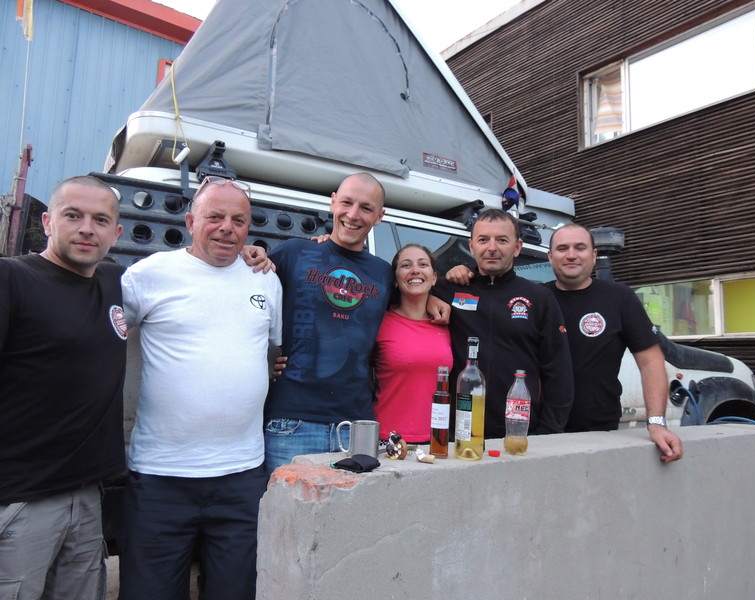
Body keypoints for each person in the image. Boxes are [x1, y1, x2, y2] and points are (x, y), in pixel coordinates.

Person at [119, 176, 282, 600]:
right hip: (161, 476)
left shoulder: (265, 279)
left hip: (242, 476)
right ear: (191, 221)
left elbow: (271, 352)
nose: (227, 228)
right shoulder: (148, 275)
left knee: (237, 591)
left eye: (238, 220)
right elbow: (103, 333)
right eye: (215, 217)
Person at [264, 173, 448, 475]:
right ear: (333, 202)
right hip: (292, 423)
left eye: (365, 207)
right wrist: (263, 358)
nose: (352, 214)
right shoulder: (293, 252)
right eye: (347, 203)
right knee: (289, 508)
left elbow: (410, 299)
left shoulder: (383, 273)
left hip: (356, 427)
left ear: (379, 216)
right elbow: (246, 303)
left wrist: (433, 299)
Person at [0, 175, 125, 599]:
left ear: (116, 233)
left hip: (86, 494)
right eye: (73, 216)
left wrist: (252, 254)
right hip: (20, 500)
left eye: (100, 220)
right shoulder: (11, 279)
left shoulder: (114, 282)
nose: (87, 228)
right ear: (47, 221)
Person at [545, 223, 682, 462]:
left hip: (600, 430)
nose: (571, 255)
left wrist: (657, 423)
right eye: (562, 248)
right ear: (550, 256)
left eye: (580, 248)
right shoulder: (535, 299)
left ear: (594, 255)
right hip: (539, 430)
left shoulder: (619, 298)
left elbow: (651, 361)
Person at [435, 208, 574, 439]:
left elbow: (559, 372)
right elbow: (405, 291)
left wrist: (549, 432)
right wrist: (430, 298)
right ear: (471, 246)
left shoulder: (539, 298)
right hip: (458, 433)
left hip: (519, 434)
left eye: (502, 240)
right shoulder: (446, 290)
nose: (492, 248)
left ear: (517, 247)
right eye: (483, 240)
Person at [373, 244, 453, 444]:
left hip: (437, 441)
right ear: (395, 279)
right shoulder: (378, 323)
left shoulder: (448, 322)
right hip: (387, 439)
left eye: (423, 264)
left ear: (434, 278)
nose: (415, 270)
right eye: (406, 265)